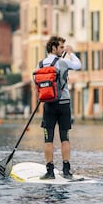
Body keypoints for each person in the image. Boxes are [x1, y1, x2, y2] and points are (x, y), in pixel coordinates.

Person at [37, 36, 81, 179]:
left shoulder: (40, 64)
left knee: (48, 139)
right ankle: (66, 171)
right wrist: (71, 52)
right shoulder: (62, 62)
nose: (63, 49)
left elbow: (36, 81)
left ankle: (50, 171)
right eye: (61, 47)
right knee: (65, 138)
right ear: (54, 48)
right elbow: (78, 65)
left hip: (48, 104)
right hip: (64, 104)